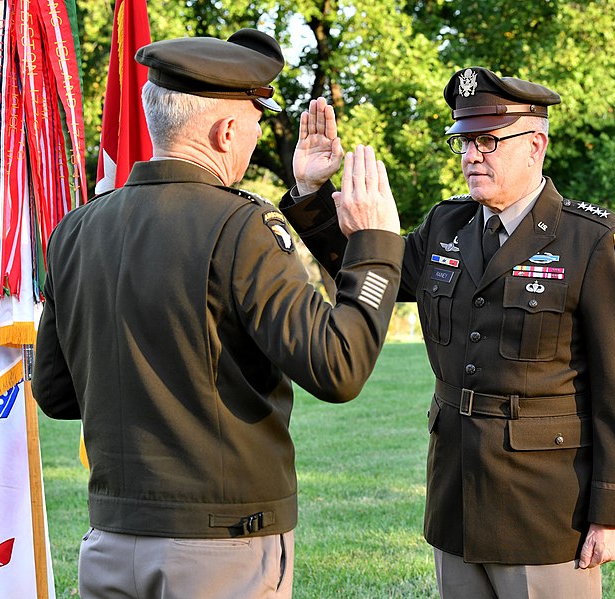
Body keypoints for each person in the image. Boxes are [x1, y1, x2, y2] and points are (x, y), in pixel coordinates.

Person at [32, 29, 403, 599]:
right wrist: (375, 245)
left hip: (110, 542)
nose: (256, 138)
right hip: (221, 548)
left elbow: (56, 395)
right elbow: (339, 366)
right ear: (227, 130)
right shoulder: (240, 226)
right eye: (256, 122)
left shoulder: (76, 229)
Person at [281, 68, 615, 598]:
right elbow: (367, 262)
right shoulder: (446, 226)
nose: (470, 155)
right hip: (456, 494)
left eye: (487, 141)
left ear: (535, 145)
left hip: (545, 507)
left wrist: (614, 512)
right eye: (463, 141)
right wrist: (311, 190)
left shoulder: (592, 241)